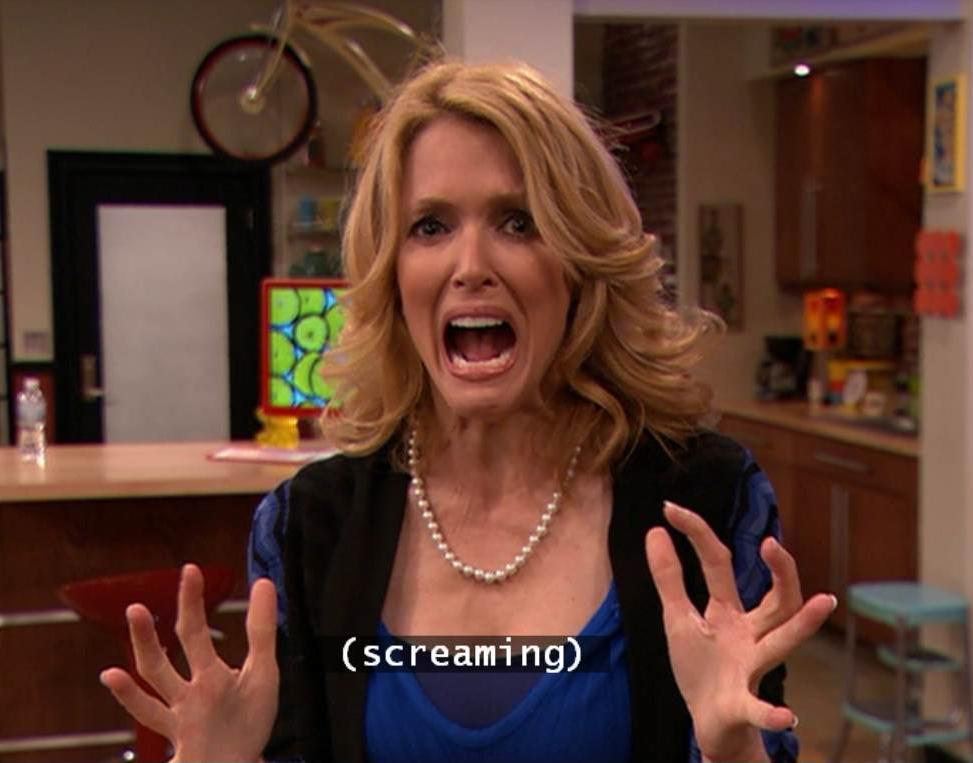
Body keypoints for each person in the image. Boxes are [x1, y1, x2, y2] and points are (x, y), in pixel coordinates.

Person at [99, 58, 836, 763]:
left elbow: (755, 740)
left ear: (581, 265)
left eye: (518, 222)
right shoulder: (311, 526)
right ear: (392, 275)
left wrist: (730, 748)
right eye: (430, 226)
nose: (471, 265)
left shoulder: (707, 503)